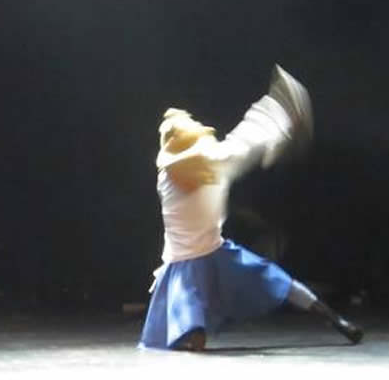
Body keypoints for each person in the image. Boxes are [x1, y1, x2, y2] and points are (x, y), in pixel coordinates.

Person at [139, 65, 364, 351]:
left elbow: (245, 142)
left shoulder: (198, 167)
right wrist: (281, 115)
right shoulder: (207, 165)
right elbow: (246, 140)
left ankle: (335, 319)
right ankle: (335, 319)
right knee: (277, 284)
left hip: (207, 256)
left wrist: (280, 117)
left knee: (277, 282)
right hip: (191, 262)